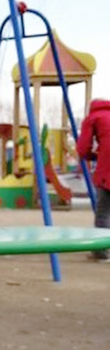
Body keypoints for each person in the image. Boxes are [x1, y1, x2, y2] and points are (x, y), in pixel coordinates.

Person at [77, 98, 110, 262]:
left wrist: (91, 156)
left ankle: (101, 251)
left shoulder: (93, 118)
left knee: (104, 212)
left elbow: (83, 147)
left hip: (107, 170)